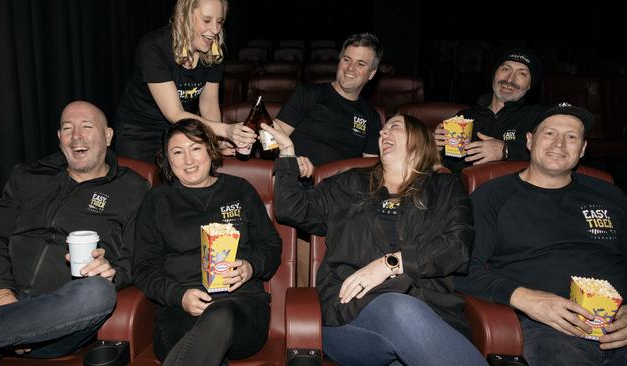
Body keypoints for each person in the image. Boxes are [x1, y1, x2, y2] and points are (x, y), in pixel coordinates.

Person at [264, 115, 487, 366]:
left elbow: (458, 247)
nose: (383, 133)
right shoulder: (349, 182)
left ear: (418, 138)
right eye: (381, 130)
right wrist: (286, 153)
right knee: (398, 309)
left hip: (430, 309)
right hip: (351, 317)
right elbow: (292, 209)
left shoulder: (444, 187)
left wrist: (390, 264)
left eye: (394, 127)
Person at [0, 101, 150, 364]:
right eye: (68, 128)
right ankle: (6, 331)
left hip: (61, 319)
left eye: (87, 127)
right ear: (60, 139)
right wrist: (0, 295)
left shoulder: (133, 189)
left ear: (108, 136)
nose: (76, 136)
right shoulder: (28, 176)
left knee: (98, 292)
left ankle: (4, 331)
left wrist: (112, 270)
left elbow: (139, 257)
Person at [456, 103, 627, 366]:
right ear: (529, 140)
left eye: (571, 137)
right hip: (549, 330)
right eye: (549, 133)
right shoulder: (492, 196)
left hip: (618, 328)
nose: (559, 144)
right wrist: (525, 298)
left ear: (582, 150)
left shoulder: (611, 195)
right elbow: (463, 270)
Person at [132, 119, 282, 366]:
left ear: (211, 150)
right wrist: (179, 296)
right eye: (177, 152)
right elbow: (144, 267)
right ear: (167, 160)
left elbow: (271, 245)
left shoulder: (240, 190)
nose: (188, 160)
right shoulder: (157, 201)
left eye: (196, 148)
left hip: (241, 305)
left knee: (219, 316)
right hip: (179, 309)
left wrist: (250, 267)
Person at [115, 0, 256, 162]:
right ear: (184, 17)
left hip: (181, 130)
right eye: (207, 20)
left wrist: (216, 141)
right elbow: (174, 113)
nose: (216, 30)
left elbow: (209, 106)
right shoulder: (154, 47)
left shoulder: (214, 50)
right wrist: (225, 130)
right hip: (139, 132)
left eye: (219, 22)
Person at [272, 32, 383, 166]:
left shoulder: (371, 117)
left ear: (371, 73)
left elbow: (369, 168)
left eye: (360, 64)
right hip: (298, 181)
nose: (350, 68)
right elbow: (272, 140)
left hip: (343, 185)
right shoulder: (308, 94)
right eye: (346, 60)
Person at [435, 47, 545, 173]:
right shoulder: (464, 117)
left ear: (530, 85)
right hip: (461, 190)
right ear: (494, 74)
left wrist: (506, 150)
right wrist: (436, 149)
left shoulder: (538, 118)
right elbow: (446, 166)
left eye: (522, 73)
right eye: (505, 69)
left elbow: (552, 155)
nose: (509, 79)